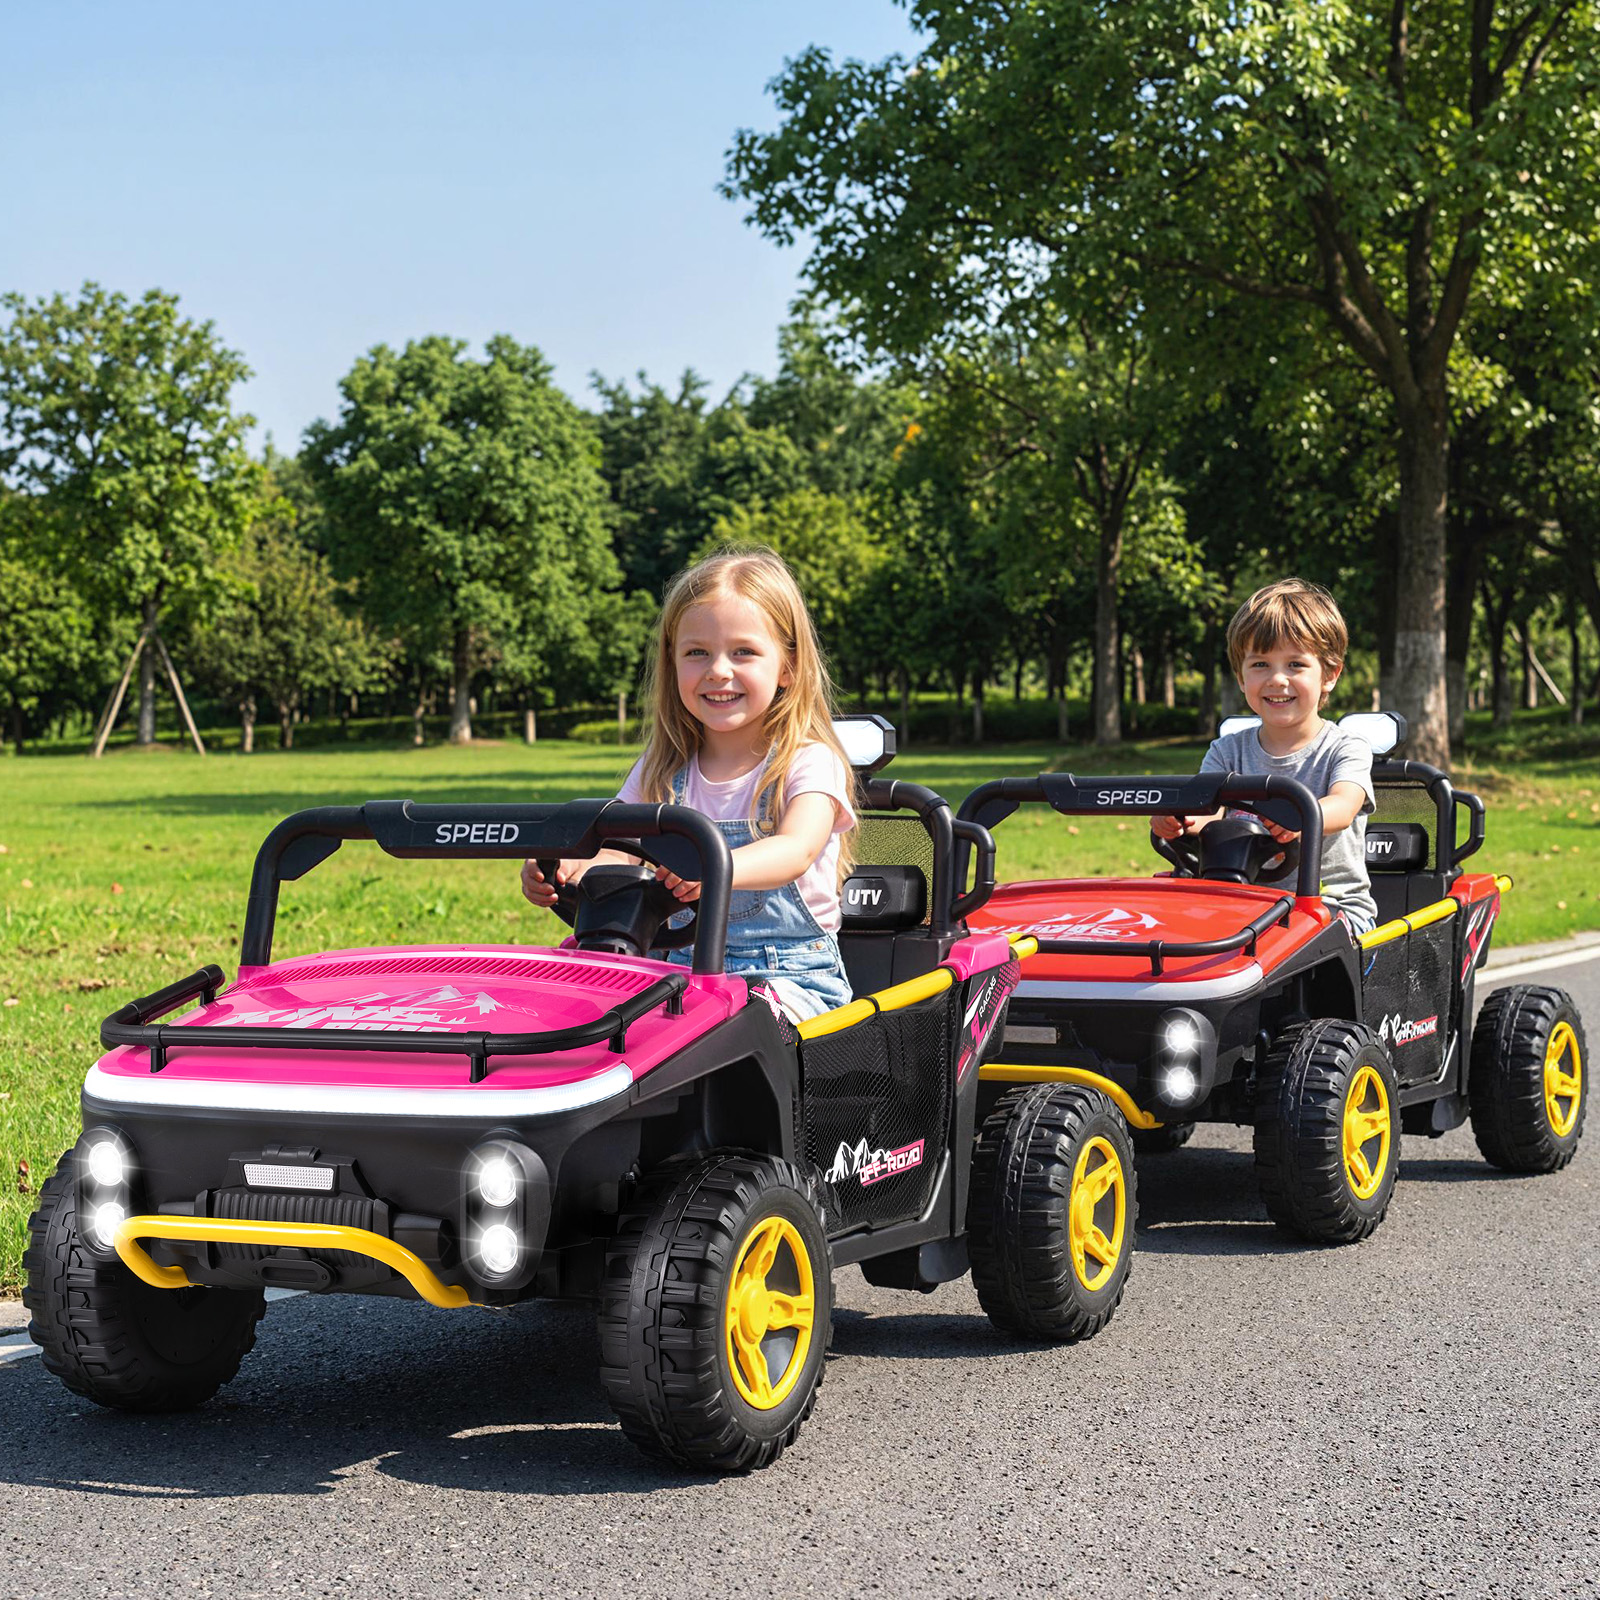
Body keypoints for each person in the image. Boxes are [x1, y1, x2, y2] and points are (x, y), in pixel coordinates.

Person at [521, 547, 857, 1022]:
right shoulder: (663, 771)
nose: (718, 669)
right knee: (575, 1003)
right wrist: (571, 865)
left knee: (729, 1026)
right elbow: (618, 845)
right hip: (676, 973)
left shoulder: (807, 762)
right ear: (673, 663)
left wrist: (711, 866)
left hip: (788, 980)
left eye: (743, 652)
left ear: (788, 667)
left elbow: (795, 850)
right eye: (697, 652)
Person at [1152, 577, 1379, 936]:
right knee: (1170, 934)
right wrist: (1181, 820)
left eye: (1295, 665)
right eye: (1259, 665)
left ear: (1330, 675)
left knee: (1292, 946)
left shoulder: (1345, 748)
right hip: (1244, 907)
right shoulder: (1227, 751)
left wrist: (1303, 816)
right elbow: (1207, 810)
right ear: (1241, 678)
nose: (1276, 679)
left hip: (1331, 909)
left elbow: (1344, 804)